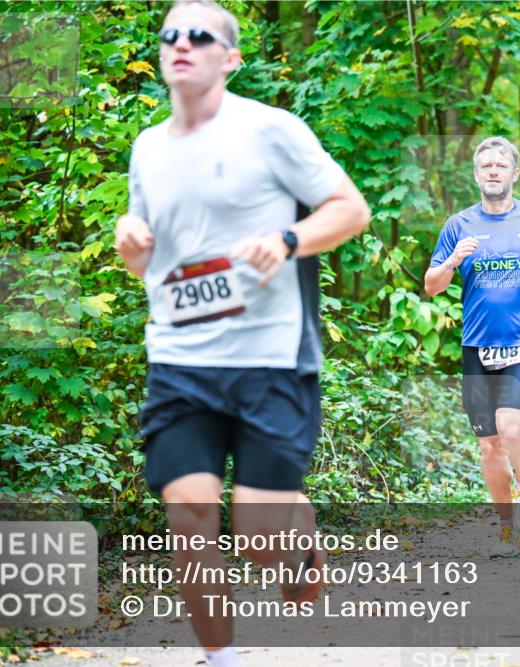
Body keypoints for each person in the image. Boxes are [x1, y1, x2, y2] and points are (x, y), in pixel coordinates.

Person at [113, 2, 370, 665]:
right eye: (171, 34)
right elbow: (150, 257)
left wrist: (289, 238)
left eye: (202, 36)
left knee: (259, 539)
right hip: (179, 359)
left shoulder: (270, 131)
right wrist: (130, 245)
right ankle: (221, 658)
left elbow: (350, 209)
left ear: (230, 59)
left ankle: (294, 529)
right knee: (190, 515)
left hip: (270, 360)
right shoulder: (147, 148)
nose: (182, 44)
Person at [424, 137, 520, 557]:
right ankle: (508, 528)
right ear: (476, 175)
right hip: (476, 344)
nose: (493, 170)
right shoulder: (458, 225)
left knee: (511, 428)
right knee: (489, 444)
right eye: (485, 165)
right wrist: (453, 259)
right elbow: (431, 286)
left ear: (513, 174)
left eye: (500, 165)